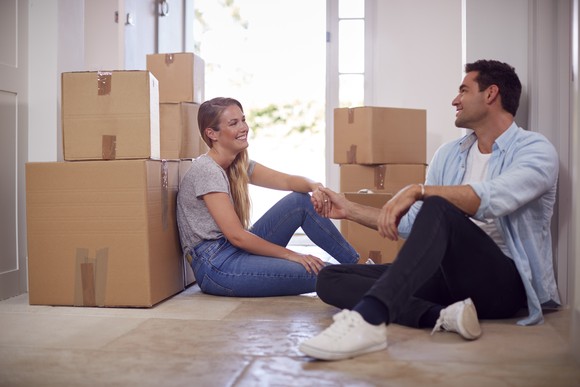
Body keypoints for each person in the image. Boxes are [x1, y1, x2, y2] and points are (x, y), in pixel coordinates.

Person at [299, 59, 560, 361]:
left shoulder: (535, 150)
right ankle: (442, 316)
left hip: (502, 284)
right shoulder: (449, 154)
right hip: (448, 279)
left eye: (463, 90)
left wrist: (420, 191)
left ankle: (370, 319)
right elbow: (411, 223)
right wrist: (349, 210)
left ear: (490, 94)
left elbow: (493, 198)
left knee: (438, 205)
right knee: (330, 278)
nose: (455, 100)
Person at [176, 97, 360, 298]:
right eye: (233, 123)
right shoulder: (207, 170)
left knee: (300, 202)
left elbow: (288, 181)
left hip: (232, 251)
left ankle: (361, 266)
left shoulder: (238, 165)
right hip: (217, 265)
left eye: (243, 120)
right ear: (212, 134)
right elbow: (237, 236)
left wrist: (314, 186)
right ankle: (374, 282)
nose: (244, 127)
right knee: (323, 273)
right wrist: (293, 255)